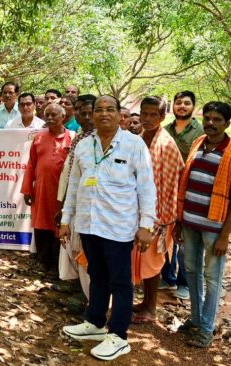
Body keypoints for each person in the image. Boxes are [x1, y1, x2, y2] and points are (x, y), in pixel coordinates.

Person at [61, 96, 156, 361]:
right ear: (92, 115)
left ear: (119, 115)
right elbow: (75, 186)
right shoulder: (84, 145)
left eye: (109, 109)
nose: (103, 114)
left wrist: (146, 225)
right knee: (97, 274)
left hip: (119, 226)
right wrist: (66, 220)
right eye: (98, 110)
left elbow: (147, 187)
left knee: (120, 281)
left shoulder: (134, 145)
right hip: (89, 224)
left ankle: (119, 336)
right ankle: (95, 323)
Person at [175, 101, 231, 348]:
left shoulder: (229, 150)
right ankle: (195, 319)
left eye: (217, 119)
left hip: (214, 227)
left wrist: (224, 236)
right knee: (192, 271)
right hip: (189, 221)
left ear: (227, 123)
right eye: (208, 118)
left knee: (212, 276)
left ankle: (207, 327)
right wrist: (179, 220)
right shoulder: (198, 143)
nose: (211, 123)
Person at [130, 96, 183, 325]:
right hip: (138, 211)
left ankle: (151, 308)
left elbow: (173, 181)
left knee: (151, 263)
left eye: (154, 115)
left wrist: (156, 219)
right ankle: (145, 302)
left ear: (163, 117)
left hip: (158, 216)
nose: (148, 119)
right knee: (141, 260)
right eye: (145, 113)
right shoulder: (139, 138)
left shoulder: (166, 144)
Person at [22, 104, 72, 276]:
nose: (50, 118)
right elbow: (31, 165)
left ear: (63, 117)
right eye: (47, 115)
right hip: (42, 191)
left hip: (63, 193)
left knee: (59, 227)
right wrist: (27, 189)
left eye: (54, 115)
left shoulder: (71, 138)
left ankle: (58, 266)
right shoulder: (39, 137)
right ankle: (43, 262)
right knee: (42, 226)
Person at [56, 94, 97, 307]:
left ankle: (88, 298)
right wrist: (63, 203)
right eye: (81, 111)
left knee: (86, 252)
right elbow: (70, 174)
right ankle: (78, 288)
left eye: (90, 112)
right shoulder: (80, 136)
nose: (85, 116)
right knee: (73, 246)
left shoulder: (100, 140)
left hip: (90, 207)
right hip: (73, 201)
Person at [162, 91, 201, 299]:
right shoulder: (165, 130)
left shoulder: (200, 131)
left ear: (193, 107)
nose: (182, 106)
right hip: (167, 190)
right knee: (166, 234)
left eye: (187, 103)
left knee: (185, 240)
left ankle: (184, 282)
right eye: (178, 103)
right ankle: (166, 277)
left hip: (189, 192)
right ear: (173, 106)